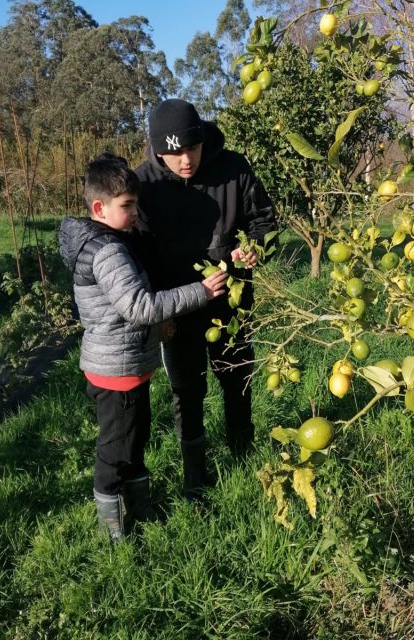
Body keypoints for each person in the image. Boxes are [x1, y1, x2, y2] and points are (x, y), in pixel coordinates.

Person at [58, 153, 227, 540]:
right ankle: (114, 531)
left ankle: (140, 507)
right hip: (117, 371)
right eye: (127, 206)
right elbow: (138, 306)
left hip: (124, 365)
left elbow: (127, 304)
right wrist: (199, 292)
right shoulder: (109, 251)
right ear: (99, 207)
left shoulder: (108, 241)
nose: (136, 212)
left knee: (133, 440)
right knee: (115, 451)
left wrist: (157, 327)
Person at [135, 99, 277, 500]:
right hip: (178, 309)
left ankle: (243, 455)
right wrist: (156, 314)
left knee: (237, 379)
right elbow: (140, 254)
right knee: (187, 389)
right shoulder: (147, 184)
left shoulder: (234, 169)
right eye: (173, 152)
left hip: (230, 305)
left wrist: (255, 247)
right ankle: (194, 476)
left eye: (191, 150)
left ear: (202, 140)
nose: (184, 161)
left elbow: (264, 220)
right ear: (158, 148)